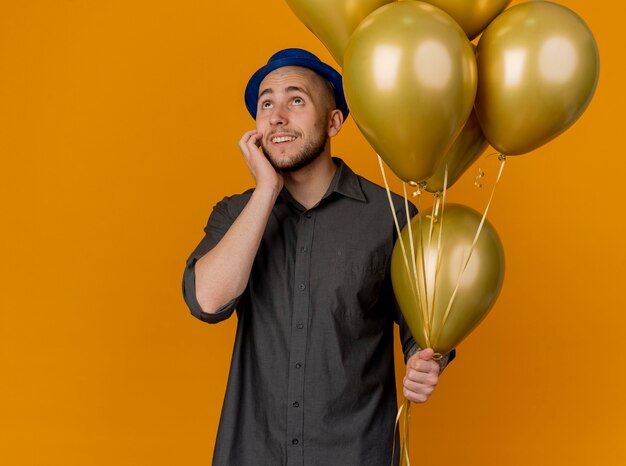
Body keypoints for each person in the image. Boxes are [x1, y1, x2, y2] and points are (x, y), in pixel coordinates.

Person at [182, 48, 455, 466]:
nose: (277, 117)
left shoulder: (392, 217)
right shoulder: (236, 213)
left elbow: (424, 328)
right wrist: (265, 191)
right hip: (254, 452)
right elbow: (208, 301)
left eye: (296, 100)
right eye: (266, 103)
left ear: (333, 122)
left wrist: (427, 361)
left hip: (356, 452)